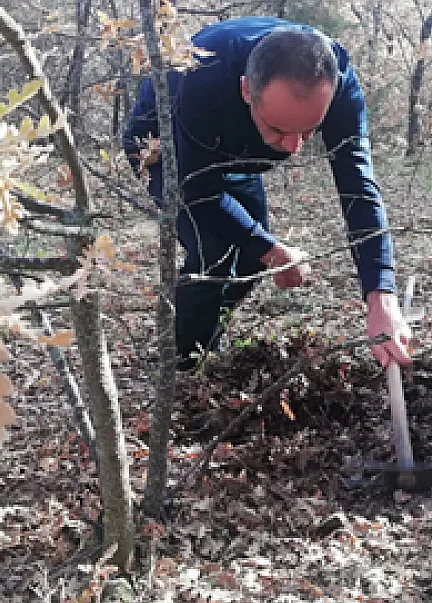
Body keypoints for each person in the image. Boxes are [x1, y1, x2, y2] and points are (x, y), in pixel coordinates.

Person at [123, 16, 411, 370]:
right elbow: (198, 192)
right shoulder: (202, 75)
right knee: (213, 250)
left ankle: (203, 336)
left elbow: (358, 189)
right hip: (164, 149)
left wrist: (381, 295)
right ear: (247, 90)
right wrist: (273, 251)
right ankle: (184, 367)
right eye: (279, 129)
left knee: (249, 255)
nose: (292, 148)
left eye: (309, 131)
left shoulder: (339, 84)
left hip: (237, 152)